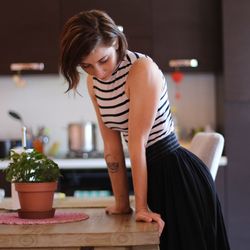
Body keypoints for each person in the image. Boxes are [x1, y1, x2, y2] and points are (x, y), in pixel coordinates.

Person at [59, 9, 230, 250]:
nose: (98, 72)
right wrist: (121, 203)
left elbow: (137, 142)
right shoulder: (93, 82)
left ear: (116, 42)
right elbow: (112, 145)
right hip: (148, 175)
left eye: (103, 60)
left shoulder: (141, 69)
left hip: (176, 177)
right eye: (86, 66)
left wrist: (140, 207)